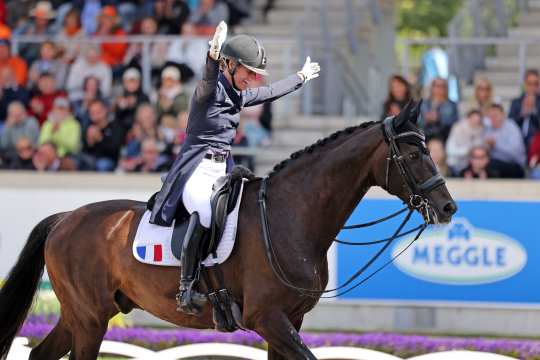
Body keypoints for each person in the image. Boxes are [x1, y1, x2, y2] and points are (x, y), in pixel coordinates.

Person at [149, 21, 320, 315]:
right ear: (229, 64)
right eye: (248, 72)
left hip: (222, 170)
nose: (252, 79)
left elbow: (269, 92)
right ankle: (186, 288)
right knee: (204, 212)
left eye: (255, 74)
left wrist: (300, 78)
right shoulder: (209, 91)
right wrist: (212, 56)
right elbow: (207, 79)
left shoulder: (237, 96)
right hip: (196, 171)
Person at [484, 103, 526, 178]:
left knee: (489, 165)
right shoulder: (488, 129)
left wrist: (496, 144)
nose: (492, 118)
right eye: (490, 116)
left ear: (503, 115)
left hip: (514, 165)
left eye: (495, 115)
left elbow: (516, 153)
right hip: (494, 163)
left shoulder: (511, 127)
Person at [508, 69, 540, 148]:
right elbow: (510, 124)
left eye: (535, 84)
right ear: (525, 84)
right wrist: (523, 114)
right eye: (529, 84)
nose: (532, 87)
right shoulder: (516, 102)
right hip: (517, 141)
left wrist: (533, 111)